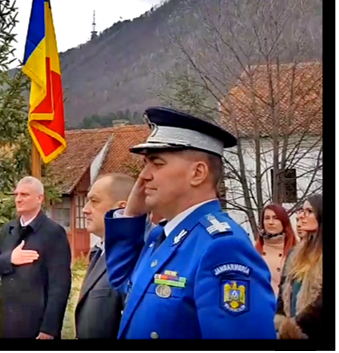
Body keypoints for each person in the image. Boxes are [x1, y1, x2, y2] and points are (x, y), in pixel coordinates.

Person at [103, 106, 276, 339]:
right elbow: (123, 282)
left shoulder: (222, 247)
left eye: (157, 163)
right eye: (145, 164)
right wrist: (131, 217)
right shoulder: (161, 237)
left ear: (198, 173)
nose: (143, 176)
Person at [0, 176, 71, 339]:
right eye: (16, 194)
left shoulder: (53, 233)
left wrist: (49, 329)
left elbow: (60, 285)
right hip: (8, 322)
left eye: (24, 195)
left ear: (40, 198)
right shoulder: (8, 229)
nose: (18, 199)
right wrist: (10, 258)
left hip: (35, 323)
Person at [75, 173, 133, 339]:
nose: (85, 209)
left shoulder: (134, 257)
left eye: (94, 201)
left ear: (121, 209)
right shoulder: (98, 251)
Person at [275, 194, 322, 339]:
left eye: (308, 211)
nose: (301, 216)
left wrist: (298, 324)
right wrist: (282, 322)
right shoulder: (294, 254)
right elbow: (283, 292)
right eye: (302, 211)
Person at [255, 204, 297, 296]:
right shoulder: (254, 251)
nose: (271, 222)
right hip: (262, 303)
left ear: (283, 222)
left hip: (285, 306)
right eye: (267, 218)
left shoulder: (296, 250)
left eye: (276, 218)